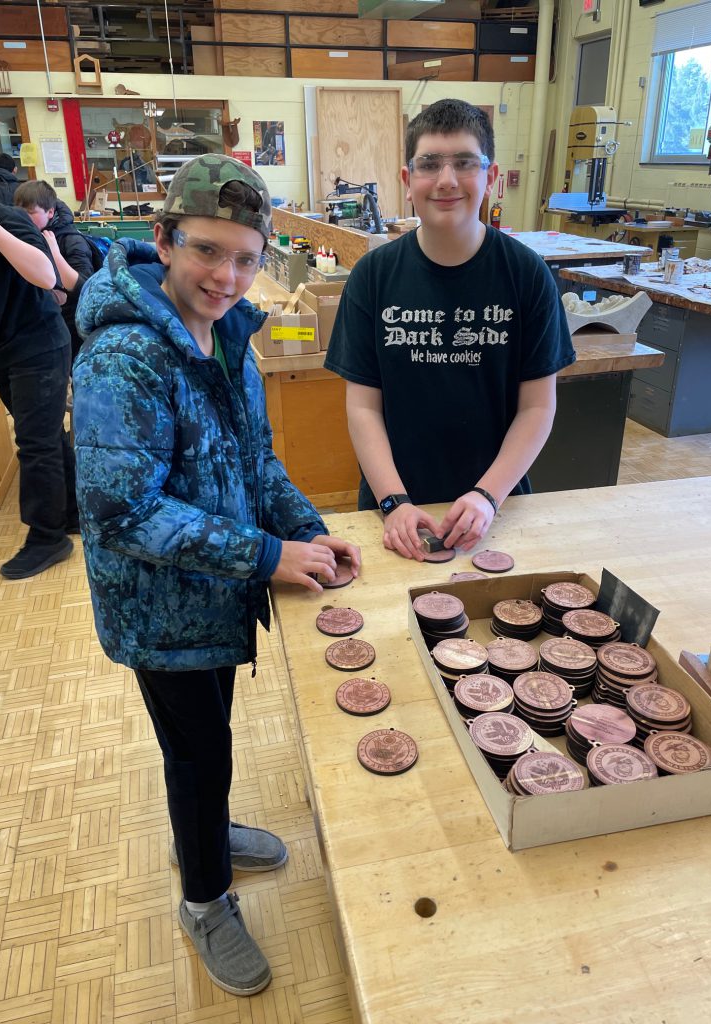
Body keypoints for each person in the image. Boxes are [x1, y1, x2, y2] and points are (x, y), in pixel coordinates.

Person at [72, 154, 360, 997]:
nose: (226, 276)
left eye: (245, 257)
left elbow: (253, 461)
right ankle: (204, 899)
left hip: (214, 594)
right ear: (163, 241)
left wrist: (305, 527)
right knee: (196, 749)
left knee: (207, 741)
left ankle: (204, 828)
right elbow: (121, 511)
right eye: (206, 251)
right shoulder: (125, 357)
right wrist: (268, 557)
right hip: (161, 608)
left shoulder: (230, 334)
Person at [325, 98, 576, 561]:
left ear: (491, 176)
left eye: (464, 162)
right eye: (429, 164)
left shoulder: (527, 274)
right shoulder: (373, 276)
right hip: (394, 511)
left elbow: (538, 407)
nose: (446, 180)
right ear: (407, 180)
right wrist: (394, 501)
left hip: (498, 509)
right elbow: (362, 408)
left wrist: (487, 495)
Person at [0, 202, 76, 579]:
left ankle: (48, 538)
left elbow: (46, 275)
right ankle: (74, 510)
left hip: (39, 344)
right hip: (5, 350)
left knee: (35, 442)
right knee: (46, 436)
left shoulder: (7, 219)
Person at [14, 179, 98, 360]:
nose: (22, 218)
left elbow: (85, 287)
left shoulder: (71, 239)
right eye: (19, 212)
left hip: (71, 325)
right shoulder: (22, 234)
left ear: (50, 212)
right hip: (36, 326)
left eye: (30, 213)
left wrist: (55, 254)